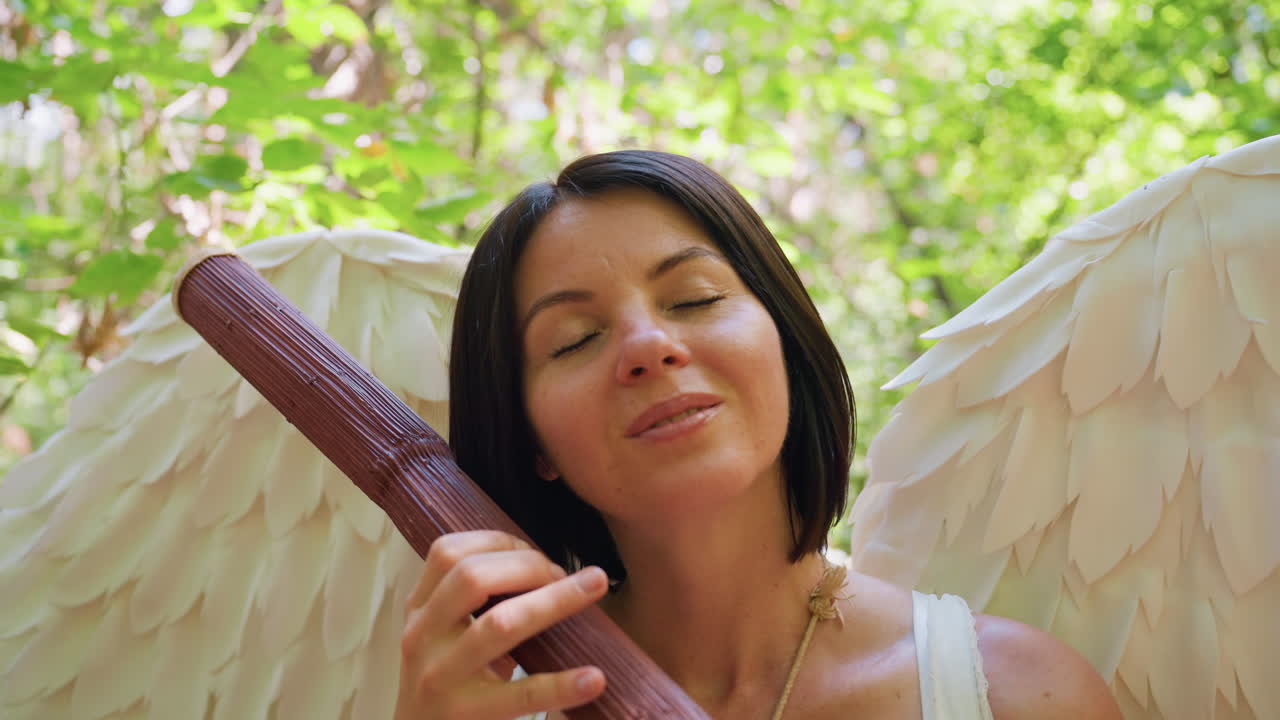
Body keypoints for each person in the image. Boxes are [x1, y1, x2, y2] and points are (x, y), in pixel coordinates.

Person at [394, 150, 1122, 719]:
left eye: (695, 298)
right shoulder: (485, 704)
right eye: (576, 339)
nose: (649, 346)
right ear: (533, 443)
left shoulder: (1013, 694)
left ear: (785, 342)